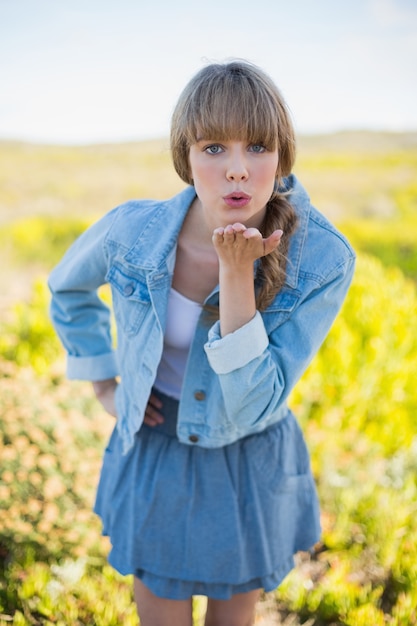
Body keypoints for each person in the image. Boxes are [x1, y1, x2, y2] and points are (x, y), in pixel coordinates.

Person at [48, 59, 355, 626]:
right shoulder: (131, 233)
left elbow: (253, 402)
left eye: (258, 146)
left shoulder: (323, 259)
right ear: (185, 157)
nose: (237, 169)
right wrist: (105, 386)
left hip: (247, 459)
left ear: (283, 156)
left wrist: (237, 276)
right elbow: (67, 290)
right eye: (214, 148)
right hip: (157, 448)